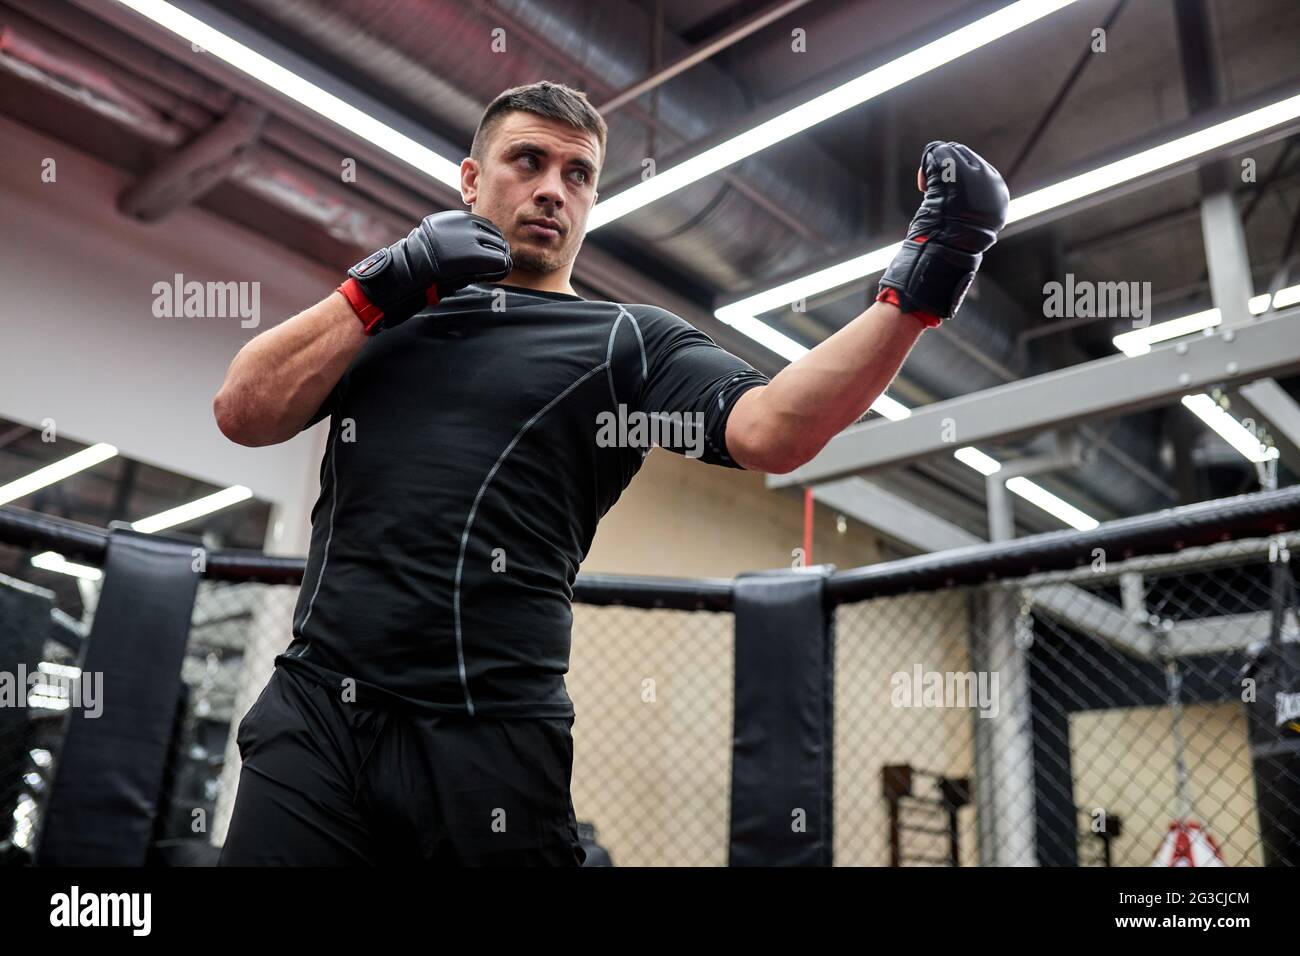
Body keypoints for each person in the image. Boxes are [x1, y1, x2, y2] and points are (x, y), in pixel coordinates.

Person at [212, 80, 1008, 865]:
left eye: (578, 174)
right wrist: (378, 285)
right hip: (318, 716)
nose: (553, 190)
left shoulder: (627, 343)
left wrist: (928, 273)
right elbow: (243, 413)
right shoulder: (381, 319)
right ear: (470, 178)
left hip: (488, 735)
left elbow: (774, 430)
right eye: (527, 161)